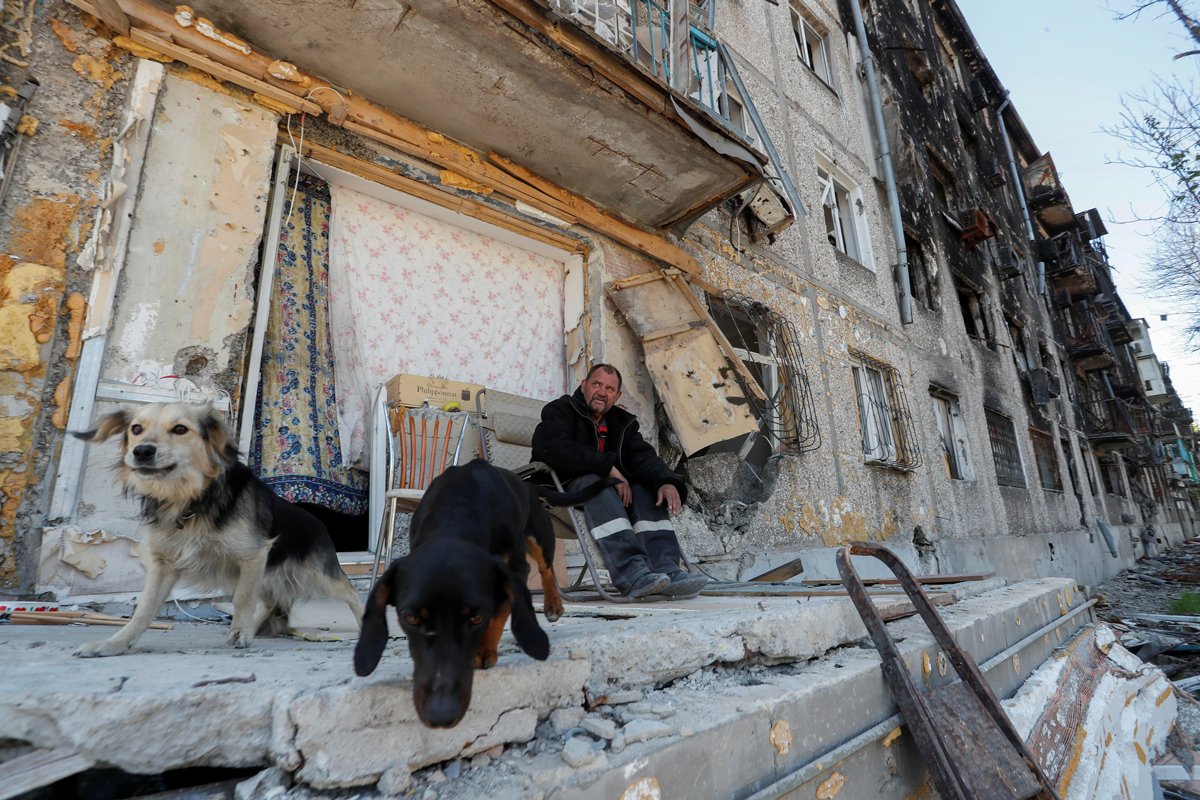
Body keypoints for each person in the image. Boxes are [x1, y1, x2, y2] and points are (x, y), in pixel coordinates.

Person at [531, 364, 709, 599]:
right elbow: (551, 448)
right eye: (596, 384)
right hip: (561, 491)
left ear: (617, 396)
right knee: (598, 484)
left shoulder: (622, 422)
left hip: (607, 496)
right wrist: (607, 468)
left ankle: (666, 570)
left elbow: (642, 457)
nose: (602, 392)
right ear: (583, 385)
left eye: (610, 388)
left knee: (646, 491)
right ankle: (632, 574)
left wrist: (666, 481)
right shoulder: (560, 410)